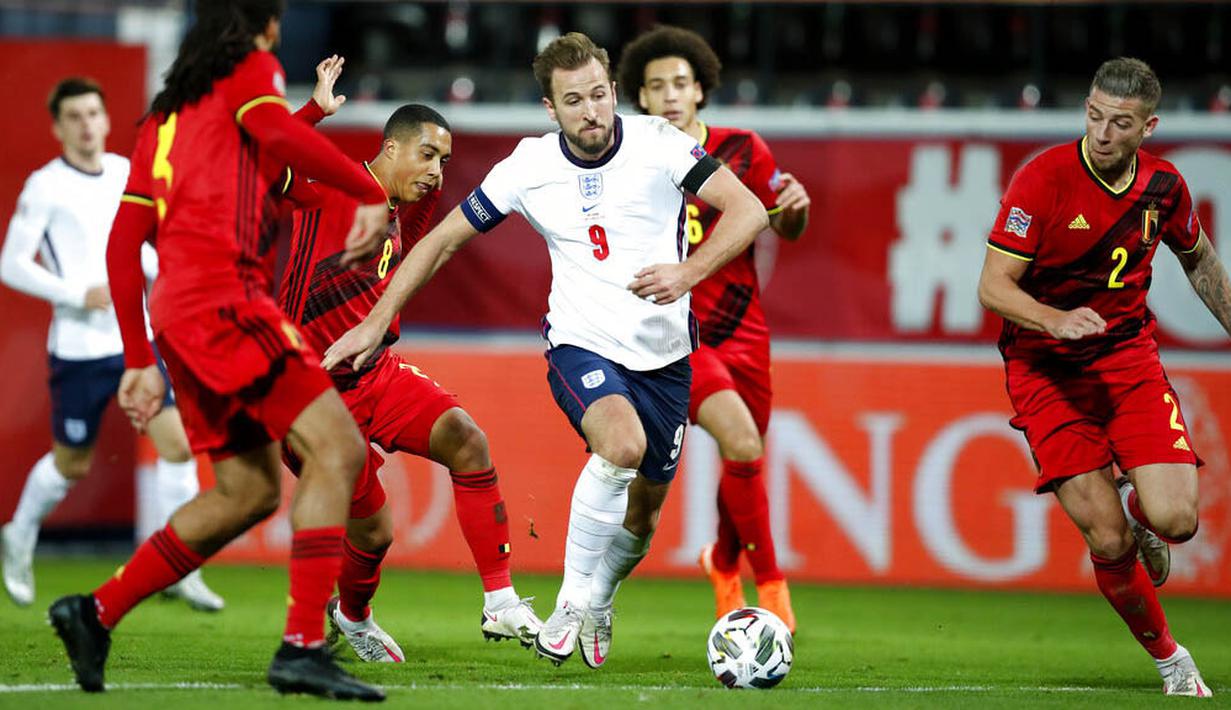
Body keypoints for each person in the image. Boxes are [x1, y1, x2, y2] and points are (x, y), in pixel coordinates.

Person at [322, 32, 768, 670]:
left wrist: (687, 273)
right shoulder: (528, 167)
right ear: (549, 109)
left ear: (614, 92)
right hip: (580, 342)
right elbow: (444, 241)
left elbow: (750, 210)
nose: (591, 112)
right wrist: (377, 317)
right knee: (620, 445)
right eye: (573, 101)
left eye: (598, 96)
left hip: (666, 356)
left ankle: (601, 598)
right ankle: (570, 601)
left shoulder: (661, 145)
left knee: (640, 521)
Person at [47, 1, 390, 700]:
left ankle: (96, 611)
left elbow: (124, 245)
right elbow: (266, 128)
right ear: (266, 26)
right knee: (340, 449)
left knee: (249, 490)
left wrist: (141, 358)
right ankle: (301, 646)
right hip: (227, 300)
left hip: (179, 316)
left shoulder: (164, 119)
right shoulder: (250, 67)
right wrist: (367, 187)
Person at [978, 57, 1229, 697]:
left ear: (1149, 126)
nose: (1102, 133)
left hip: (1127, 359)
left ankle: (1146, 515)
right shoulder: (1042, 179)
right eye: (1094, 116)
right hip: (1044, 370)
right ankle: (1173, 662)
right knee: (1105, 535)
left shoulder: (1164, 188)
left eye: (1120, 123)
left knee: (1177, 521)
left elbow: (1199, 262)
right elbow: (993, 287)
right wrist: (1053, 320)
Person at [278, 62, 541, 662]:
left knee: (467, 441)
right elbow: (267, 158)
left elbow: (428, 250)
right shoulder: (333, 184)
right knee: (375, 532)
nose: (436, 172)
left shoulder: (406, 212)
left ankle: (500, 600)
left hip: (375, 376)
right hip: (309, 393)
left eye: (444, 160)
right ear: (390, 147)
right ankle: (354, 615)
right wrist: (314, 111)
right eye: (426, 155)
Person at [0, 77, 223, 613]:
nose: (86, 124)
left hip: (136, 340)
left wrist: (165, 270)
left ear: (105, 119)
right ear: (58, 128)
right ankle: (19, 534)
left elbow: (141, 249)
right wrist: (76, 292)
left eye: (93, 113)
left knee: (176, 447)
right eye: (74, 116)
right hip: (77, 347)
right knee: (71, 463)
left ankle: (180, 566)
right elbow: (10, 263)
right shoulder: (44, 186)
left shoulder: (126, 173)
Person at [616, 25, 810, 632]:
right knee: (743, 441)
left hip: (746, 330)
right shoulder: (633, 159)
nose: (670, 96)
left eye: (681, 83)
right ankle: (773, 586)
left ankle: (724, 561)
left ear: (700, 89)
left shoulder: (745, 149)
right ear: (640, 98)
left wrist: (797, 214)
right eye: (656, 87)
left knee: (744, 458)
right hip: (677, 334)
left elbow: (782, 227)